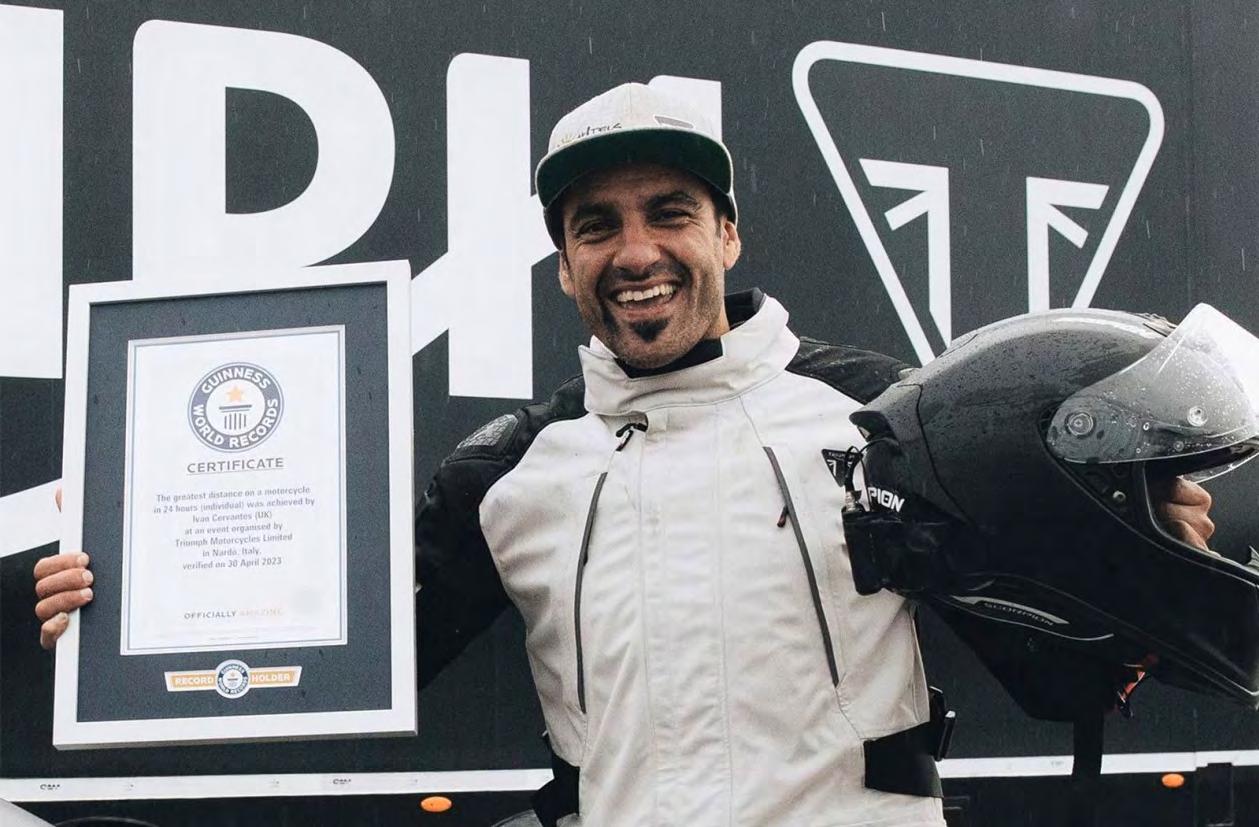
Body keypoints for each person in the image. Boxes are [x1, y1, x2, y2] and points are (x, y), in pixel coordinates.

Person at [34, 83, 1216, 826]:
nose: (634, 251)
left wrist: (1141, 563)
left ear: (727, 233)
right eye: (595, 225)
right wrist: (121, 606)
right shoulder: (510, 470)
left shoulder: (879, 417)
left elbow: (1064, 673)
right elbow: (333, 662)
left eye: (669, 213)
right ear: (563, 263)